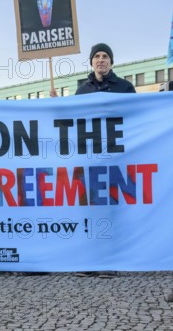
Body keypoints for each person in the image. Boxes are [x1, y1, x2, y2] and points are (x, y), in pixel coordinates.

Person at [73, 43, 135, 278]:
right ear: (91, 62)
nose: (101, 59)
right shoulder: (82, 91)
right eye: (97, 56)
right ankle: (89, 261)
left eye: (105, 56)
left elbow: (135, 118)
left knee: (110, 210)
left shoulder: (125, 88)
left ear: (111, 61)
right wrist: (56, 104)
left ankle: (109, 261)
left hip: (115, 157)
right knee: (89, 209)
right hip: (89, 159)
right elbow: (74, 122)